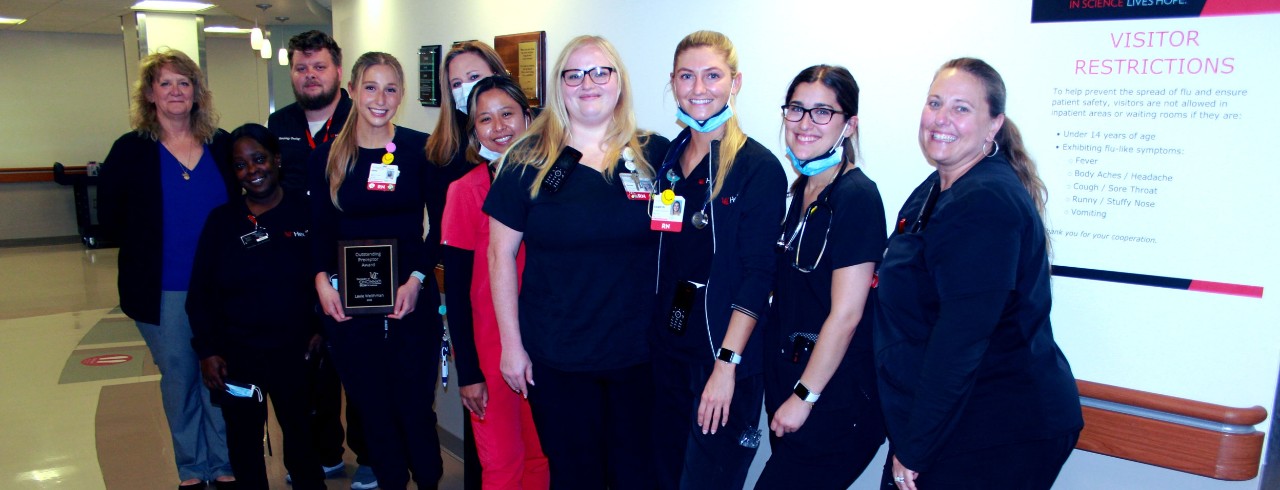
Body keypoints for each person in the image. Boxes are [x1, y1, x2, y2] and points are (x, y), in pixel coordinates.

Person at [876, 57, 1082, 490]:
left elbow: (961, 339)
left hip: (1000, 427)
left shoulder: (986, 201)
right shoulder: (936, 188)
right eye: (935, 103)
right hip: (956, 416)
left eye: (961, 108)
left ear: (993, 125)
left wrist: (916, 446)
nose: (941, 119)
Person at [483, 35, 670, 489]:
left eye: (600, 71)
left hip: (639, 357)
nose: (588, 83)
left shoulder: (656, 155)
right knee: (575, 477)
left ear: (619, 83)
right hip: (560, 357)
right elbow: (499, 255)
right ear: (560, 87)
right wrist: (512, 345)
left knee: (636, 476)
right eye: (574, 74)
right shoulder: (526, 160)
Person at [649, 30, 786, 490]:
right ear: (673, 82)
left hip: (722, 363)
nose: (699, 88)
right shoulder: (668, 159)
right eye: (687, 76)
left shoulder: (757, 169)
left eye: (712, 75)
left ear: (735, 82)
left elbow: (758, 276)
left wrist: (725, 367)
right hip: (667, 356)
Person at [98, 49, 237, 490]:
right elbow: (110, 218)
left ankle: (224, 462)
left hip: (222, 287)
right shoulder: (130, 151)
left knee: (220, 374)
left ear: (197, 92)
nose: (176, 91)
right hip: (164, 289)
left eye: (184, 82)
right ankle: (192, 468)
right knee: (180, 378)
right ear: (150, 94)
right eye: (166, 83)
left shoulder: (221, 144)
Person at [308, 51, 444, 490]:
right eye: (370, 87)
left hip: (412, 297)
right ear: (352, 91)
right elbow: (319, 230)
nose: (380, 98)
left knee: (415, 407)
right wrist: (321, 282)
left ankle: (427, 480)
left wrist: (418, 279)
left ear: (401, 95)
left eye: (390, 88)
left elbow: (439, 228)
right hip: (350, 305)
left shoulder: (420, 150)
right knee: (372, 409)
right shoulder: (329, 155)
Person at [755, 65, 886, 489]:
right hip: (792, 380)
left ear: (849, 125)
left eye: (822, 112)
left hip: (833, 397)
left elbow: (846, 315)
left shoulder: (857, 197)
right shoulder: (802, 192)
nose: (805, 123)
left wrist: (803, 397)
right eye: (797, 109)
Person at [186, 123, 326, 490]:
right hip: (237, 355)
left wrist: (321, 329)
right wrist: (208, 350)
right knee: (244, 442)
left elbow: (330, 277)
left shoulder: (307, 213)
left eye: (259, 159)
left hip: (295, 352)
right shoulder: (222, 222)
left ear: (276, 160)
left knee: (301, 437)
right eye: (241, 165)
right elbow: (199, 292)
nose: (252, 171)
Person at [265, 30, 376, 489]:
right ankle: (324, 451)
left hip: (352, 260)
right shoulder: (279, 125)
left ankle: (369, 454)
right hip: (295, 263)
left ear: (339, 72)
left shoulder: (362, 119)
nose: (309, 75)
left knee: (360, 362)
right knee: (309, 364)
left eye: (319, 66)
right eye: (301, 67)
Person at [441, 75, 550, 490]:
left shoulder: (551, 183)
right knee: (503, 465)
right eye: (485, 119)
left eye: (508, 114)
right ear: (474, 130)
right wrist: (469, 371)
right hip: (492, 354)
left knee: (541, 457)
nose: (500, 127)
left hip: (544, 345)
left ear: (528, 117)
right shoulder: (464, 192)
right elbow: (456, 290)